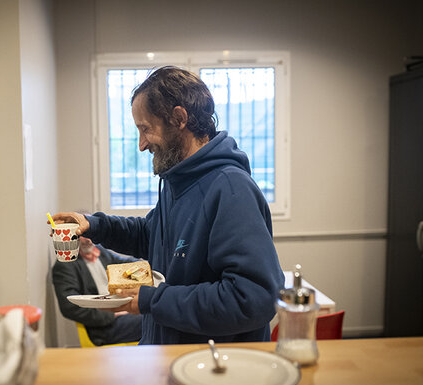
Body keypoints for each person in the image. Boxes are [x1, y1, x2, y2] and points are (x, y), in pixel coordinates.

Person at [51, 66, 284, 345]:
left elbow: (253, 299)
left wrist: (153, 299)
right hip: (166, 353)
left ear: (179, 118)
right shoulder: (179, 183)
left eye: (145, 129)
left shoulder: (231, 189)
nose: (141, 145)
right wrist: (95, 225)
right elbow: (152, 236)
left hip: (209, 367)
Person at [51, 236, 142, 346]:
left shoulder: (99, 251)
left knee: (152, 313)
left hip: (122, 311)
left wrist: (144, 265)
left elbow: (123, 263)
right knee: (151, 321)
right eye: (82, 236)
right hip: (103, 328)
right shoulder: (65, 265)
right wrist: (112, 314)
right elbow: (69, 307)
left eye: (89, 233)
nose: (88, 239)